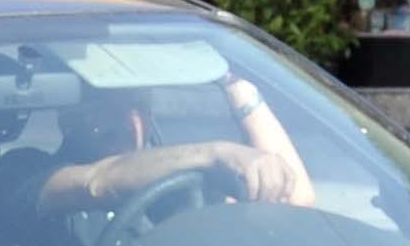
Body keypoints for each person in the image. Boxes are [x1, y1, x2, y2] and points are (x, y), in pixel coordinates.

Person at [31, 71, 313, 216]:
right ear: (68, 120)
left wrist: (237, 88)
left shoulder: (169, 186)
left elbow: (294, 199)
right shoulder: (26, 169)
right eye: (110, 108)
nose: (130, 123)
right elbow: (97, 181)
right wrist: (215, 153)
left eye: (139, 107)